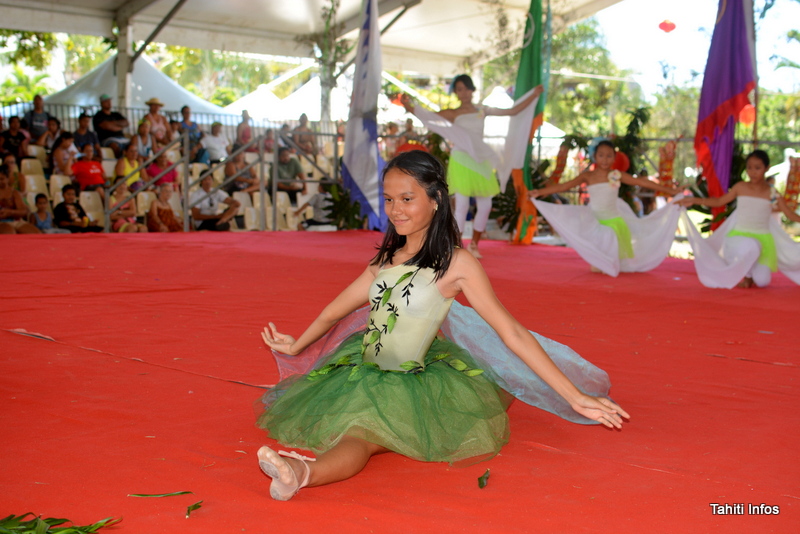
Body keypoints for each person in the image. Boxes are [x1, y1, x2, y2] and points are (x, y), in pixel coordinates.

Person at [255, 151, 628, 501]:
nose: (395, 210)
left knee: (361, 436)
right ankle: (298, 472)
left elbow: (510, 331)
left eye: (406, 198)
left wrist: (574, 396)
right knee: (360, 430)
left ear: (434, 199)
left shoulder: (456, 265)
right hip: (360, 371)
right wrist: (296, 345)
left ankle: (300, 473)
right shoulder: (385, 262)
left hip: (410, 383)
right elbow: (332, 312)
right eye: (388, 200)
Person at [401, 75, 543, 258]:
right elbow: (427, 117)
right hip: (461, 159)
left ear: (472, 90)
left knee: (485, 205)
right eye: (459, 89)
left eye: (466, 88)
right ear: (456, 92)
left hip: (481, 159)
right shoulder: (452, 113)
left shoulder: (482, 110)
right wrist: (408, 106)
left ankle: (474, 244)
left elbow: (513, 111)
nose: (463, 93)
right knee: (462, 205)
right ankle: (456, 246)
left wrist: (534, 94)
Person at [529, 140, 683, 277]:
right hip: (595, 219)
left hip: (615, 221)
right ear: (595, 156)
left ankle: (608, 264)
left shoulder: (617, 175)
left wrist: (671, 191)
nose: (605, 159)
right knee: (599, 260)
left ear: (614, 158)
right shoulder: (587, 176)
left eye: (609, 156)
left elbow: (643, 183)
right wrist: (539, 192)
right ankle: (602, 264)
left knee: (611, 241)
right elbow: (563, 186)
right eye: (601, 155)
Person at [677, 149, 800, 288]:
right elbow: (718, 202)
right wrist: (694, 200)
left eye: (757, 168)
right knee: (751, 246)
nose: (753, 172)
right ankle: (747, 274)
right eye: (749, 168)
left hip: (764, 241)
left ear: (767, 168)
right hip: (740, 237)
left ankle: (752, 269)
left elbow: (789, 214)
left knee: (762, 282)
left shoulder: (772, 192)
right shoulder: (740, 187)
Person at [0, 164, 40, 234]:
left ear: (7, 178)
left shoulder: (14, 192)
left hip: (16, 221)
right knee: (9, 233)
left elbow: (24, 211)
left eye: (2, 179)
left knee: (36, 233)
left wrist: (10, 212)